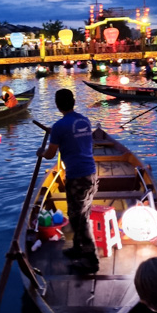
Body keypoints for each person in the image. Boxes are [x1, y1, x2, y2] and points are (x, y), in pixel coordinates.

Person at [36, 88, 99, 274]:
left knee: (78, 219)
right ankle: (78, 248)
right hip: (91, 174)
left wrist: (40, 152)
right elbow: (74, 136)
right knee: (82, 214)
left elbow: (49, 155)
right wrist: (55, 133)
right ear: (73, 102)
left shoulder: (60, 126)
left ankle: (91, 261)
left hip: (77, 176)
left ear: (57, 104)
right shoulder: (83, 120)